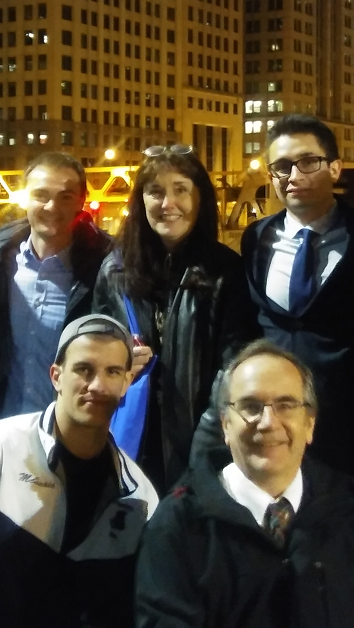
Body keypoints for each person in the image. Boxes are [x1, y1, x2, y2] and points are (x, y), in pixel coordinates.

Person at [135, 341, 354, 628]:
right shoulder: (176, 526)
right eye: (250, 406)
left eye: (285, 405)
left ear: (309, 424)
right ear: (225, 425)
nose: (268, 422)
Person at [0, 314, 160, 628]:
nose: (97, 385)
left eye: (112, 372)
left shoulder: (140, 496)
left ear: (127, 382)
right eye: (84, 369)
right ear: (56, 376)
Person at [195, 115, 354, 478]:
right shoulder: (256, 238)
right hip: (273, 425)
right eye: (281, 166)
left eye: (308, 162)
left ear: (335, 168)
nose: (293, 175)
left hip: (345, 425)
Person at [93, 144, 258, 489]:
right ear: (141, 201)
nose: (167, 204)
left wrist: (205, 452)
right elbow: (94, 348)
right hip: (129, 440)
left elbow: (234, 369)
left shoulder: (225, 272)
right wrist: (118, 355)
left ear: (200, 198)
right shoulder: (115, 271)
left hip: (200, 445)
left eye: (180, 189)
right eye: (155, 192)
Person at [0, 152, 113, 421]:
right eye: (41, 195)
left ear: (81, 201)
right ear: (24, 198)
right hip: (1, 428)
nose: (51, 207)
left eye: (65, 197)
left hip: (72, 431)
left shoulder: (105, 270)